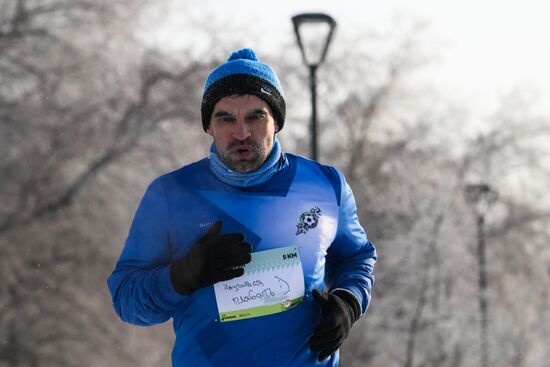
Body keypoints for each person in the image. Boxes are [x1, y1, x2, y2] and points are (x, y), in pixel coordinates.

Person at [107, 48, 377, 367]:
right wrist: (181, 276)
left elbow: (356, 258)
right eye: (225, 118)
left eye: (255, 116)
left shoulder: (324, 185)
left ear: (276, 121)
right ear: (208, 126)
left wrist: (348, 301)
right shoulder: (171, 195)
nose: (241, 132)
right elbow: (126, 299)